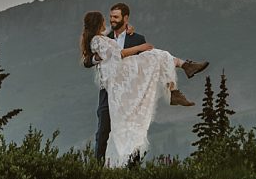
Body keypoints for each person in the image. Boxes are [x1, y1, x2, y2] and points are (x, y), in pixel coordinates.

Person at [80, 9, 206, 168]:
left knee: (133, 125)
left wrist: (135, 41)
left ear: (125, 18)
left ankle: (178, 80)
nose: (110, 21)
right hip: (117, 82)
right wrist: (138, 48)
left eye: (115, 17)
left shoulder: (132, 37)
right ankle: (97, 167)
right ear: (98, 23)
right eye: (108, 18)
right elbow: (92, 59)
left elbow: (112, 51)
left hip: (128, 81)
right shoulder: (101, 39)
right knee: (104, 130)